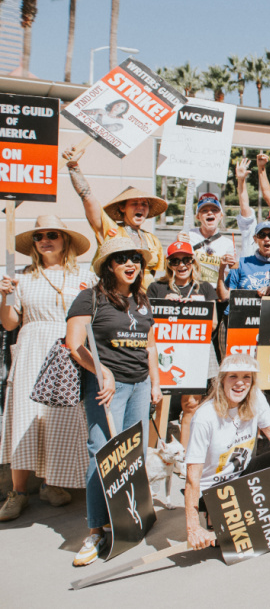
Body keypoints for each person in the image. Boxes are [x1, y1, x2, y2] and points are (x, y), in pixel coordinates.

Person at [65, 238, 162, 566]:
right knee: (102, 453)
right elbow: (74, 343)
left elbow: (149, 345)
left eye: (135, 258)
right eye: (121, 259)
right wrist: (101, 370)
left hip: (139, 385)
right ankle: (95, 530)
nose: (130, 263)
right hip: (108, 388)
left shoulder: (142, 299)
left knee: (134, 455)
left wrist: (155, 384)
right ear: (108, 265)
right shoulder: (90, 297)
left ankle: (132, 516)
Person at [0, 217, 94, 521]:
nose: (45, 240)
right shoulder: (21, 278)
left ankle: (51, 483)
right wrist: (4, 296)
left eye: (52, 234)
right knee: (25, 417)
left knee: (61, 418)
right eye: (38, 236)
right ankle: (19, 492)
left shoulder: (86, 276)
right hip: (32, 349)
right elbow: (9, 323)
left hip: (69, 350)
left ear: (65, 240)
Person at [183, 354, 270, 551]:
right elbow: (192, 476)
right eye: (233, 376)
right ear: (221, 380)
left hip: (241, 475)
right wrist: (193, 528)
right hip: (214, 490)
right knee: (232, 544)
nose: (240, 383)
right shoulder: (205, 417)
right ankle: (213, 515)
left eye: (246, 377)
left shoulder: (255, 397)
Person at [149, 241, 221, 449]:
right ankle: (157, 451)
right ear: (168, 264)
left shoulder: (205, 288)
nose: (181, 265)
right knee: (162, 403)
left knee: (191, 404)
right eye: (175, 261)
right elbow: (148, 324)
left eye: (186, 260)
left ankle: (185, 453)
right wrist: (164, 303)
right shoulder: (157, 287)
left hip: (196, 350)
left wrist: (197, 307)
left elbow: (214, 323)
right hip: (167, 352)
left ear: (193, 262)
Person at [64, 145, 165, 284]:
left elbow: (156, 275)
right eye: (134, 203)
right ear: (122, 207)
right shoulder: (110, 230)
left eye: (144, 204)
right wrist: (73, 167)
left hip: (145, 298)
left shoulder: (152, 239)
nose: (140, 207)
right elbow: (87, 197)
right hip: (114, 297)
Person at [177, 194, 235, 286]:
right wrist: (178, 245)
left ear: (221, 215)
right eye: (204, 210)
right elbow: (172, 265)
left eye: (214, 210)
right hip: (191, 288)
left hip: (215, 291)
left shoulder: (228, 244)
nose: (210, 213)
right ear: (198, 217)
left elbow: (229, 275)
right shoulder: (187, 236)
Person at [218, 221, 270, 302]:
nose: (267, 239)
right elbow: (224, 297)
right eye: (262, 235)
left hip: (268, 313)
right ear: (255, 239)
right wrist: (221, 269)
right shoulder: (242, 263)